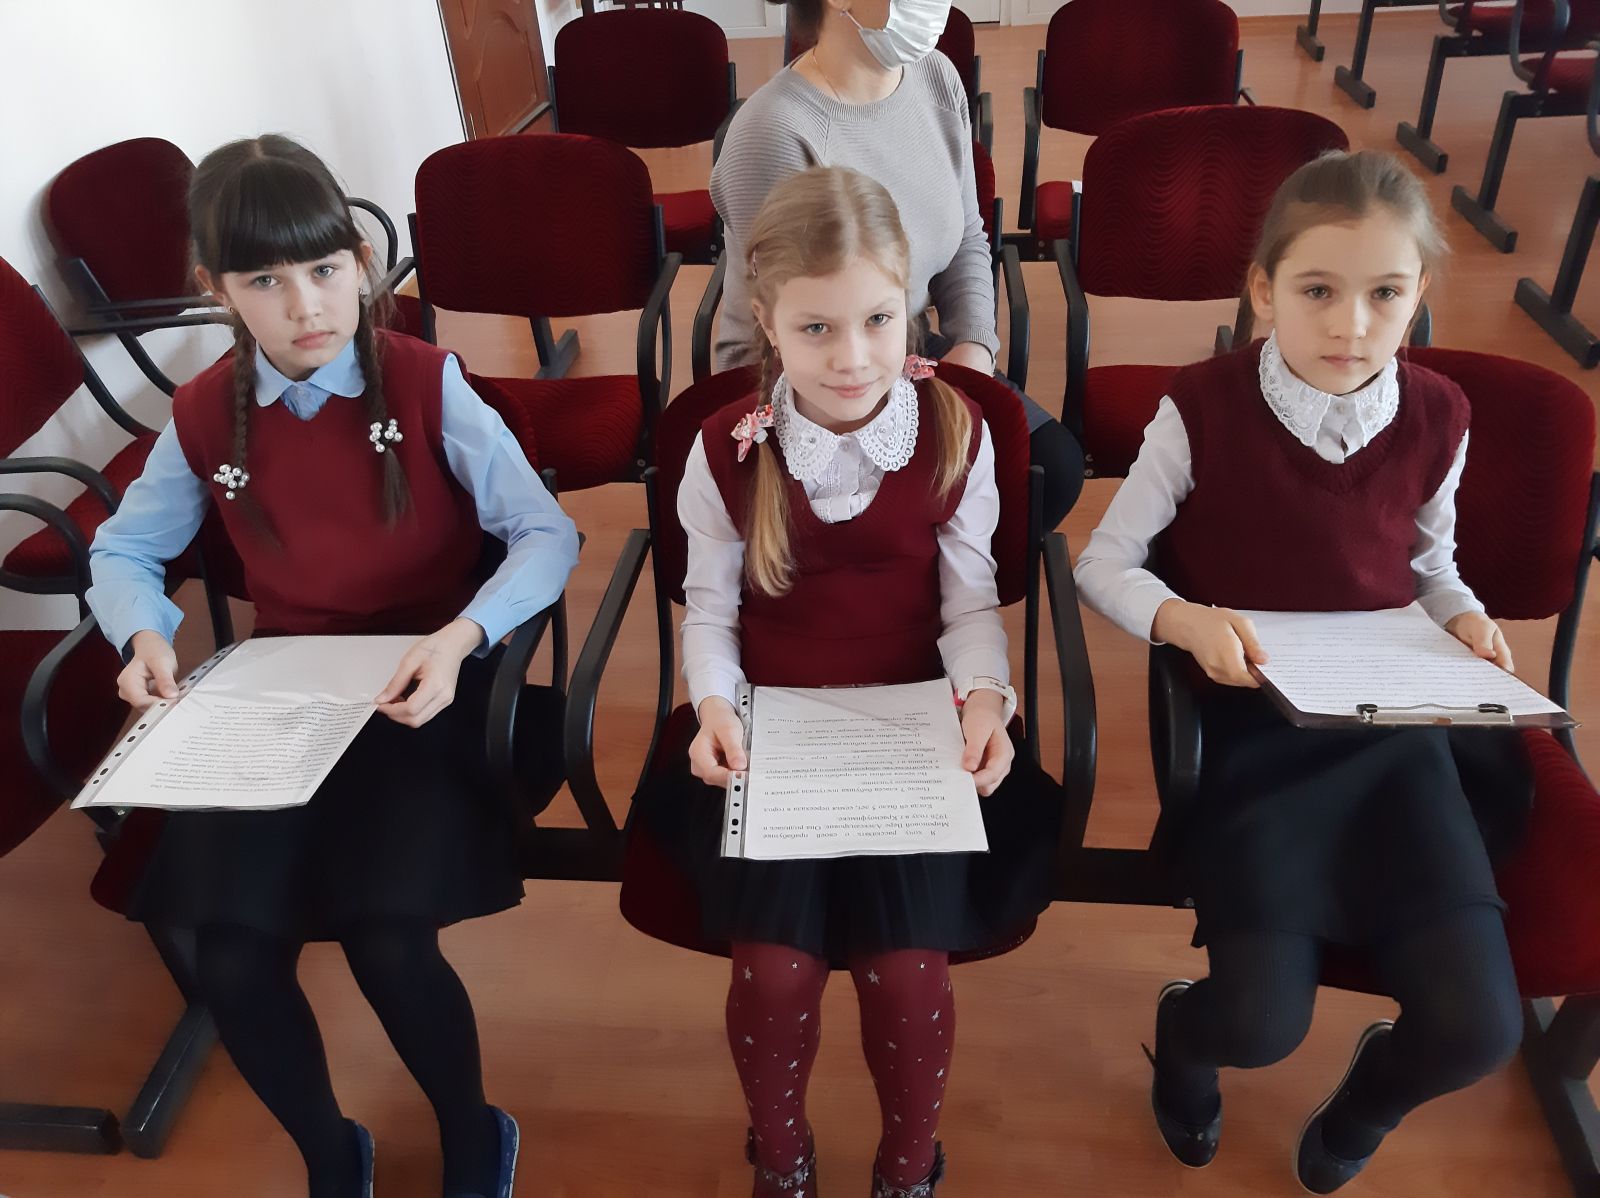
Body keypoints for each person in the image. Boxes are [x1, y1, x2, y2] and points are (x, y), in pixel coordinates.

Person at [85, 134, 579, 1198]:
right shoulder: (204, 409)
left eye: (323, 268)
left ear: (360, 261)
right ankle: (330, 1152)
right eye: (264, 281)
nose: (305, 304)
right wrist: (144, 634)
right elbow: (124, 549)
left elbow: (544, 533)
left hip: (423, 683)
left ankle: (470, 1128)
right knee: (228, 955)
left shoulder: (425, 381)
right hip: (284, 688)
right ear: (216, 289)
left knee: (389, 937)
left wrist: (464, 636)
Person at [1074, 150, 1528, 1194]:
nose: (1352, 325)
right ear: (1262, 289)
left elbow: (1431, 565)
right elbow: (1104, 563)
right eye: (1318, 290)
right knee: (1256, 1022)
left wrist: (1461, 616)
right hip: (1258, 734)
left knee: (1479, 1026)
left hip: (1395, 737)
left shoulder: (1438, 413)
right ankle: (1183, 1041)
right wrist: (1183, 619)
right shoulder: (1202, 406)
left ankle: (1370, 1096)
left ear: (1418, 295)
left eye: (1385, 294)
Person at [635, 165, 1058, 1198]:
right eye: (816, 328)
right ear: (766, 321)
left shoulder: (953, 428)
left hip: (912, 733)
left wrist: (988, 698)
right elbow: (712, 613)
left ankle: (909, 1163)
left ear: (910, 303)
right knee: (774, 973)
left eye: (877, 319)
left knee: (906, 974)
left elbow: (969, 606)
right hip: (773, 736)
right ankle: (780, 1157)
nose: (853, 356)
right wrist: (713, 707)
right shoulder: (724, 449)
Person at [711, 0, 1085, 528]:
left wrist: (973, 348)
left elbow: (967, 235)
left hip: (897, 340)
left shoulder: (936, 76)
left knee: (1051, 469)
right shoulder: (772, 132)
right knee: (912, 508)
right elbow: (787, 334)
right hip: (802, 364)